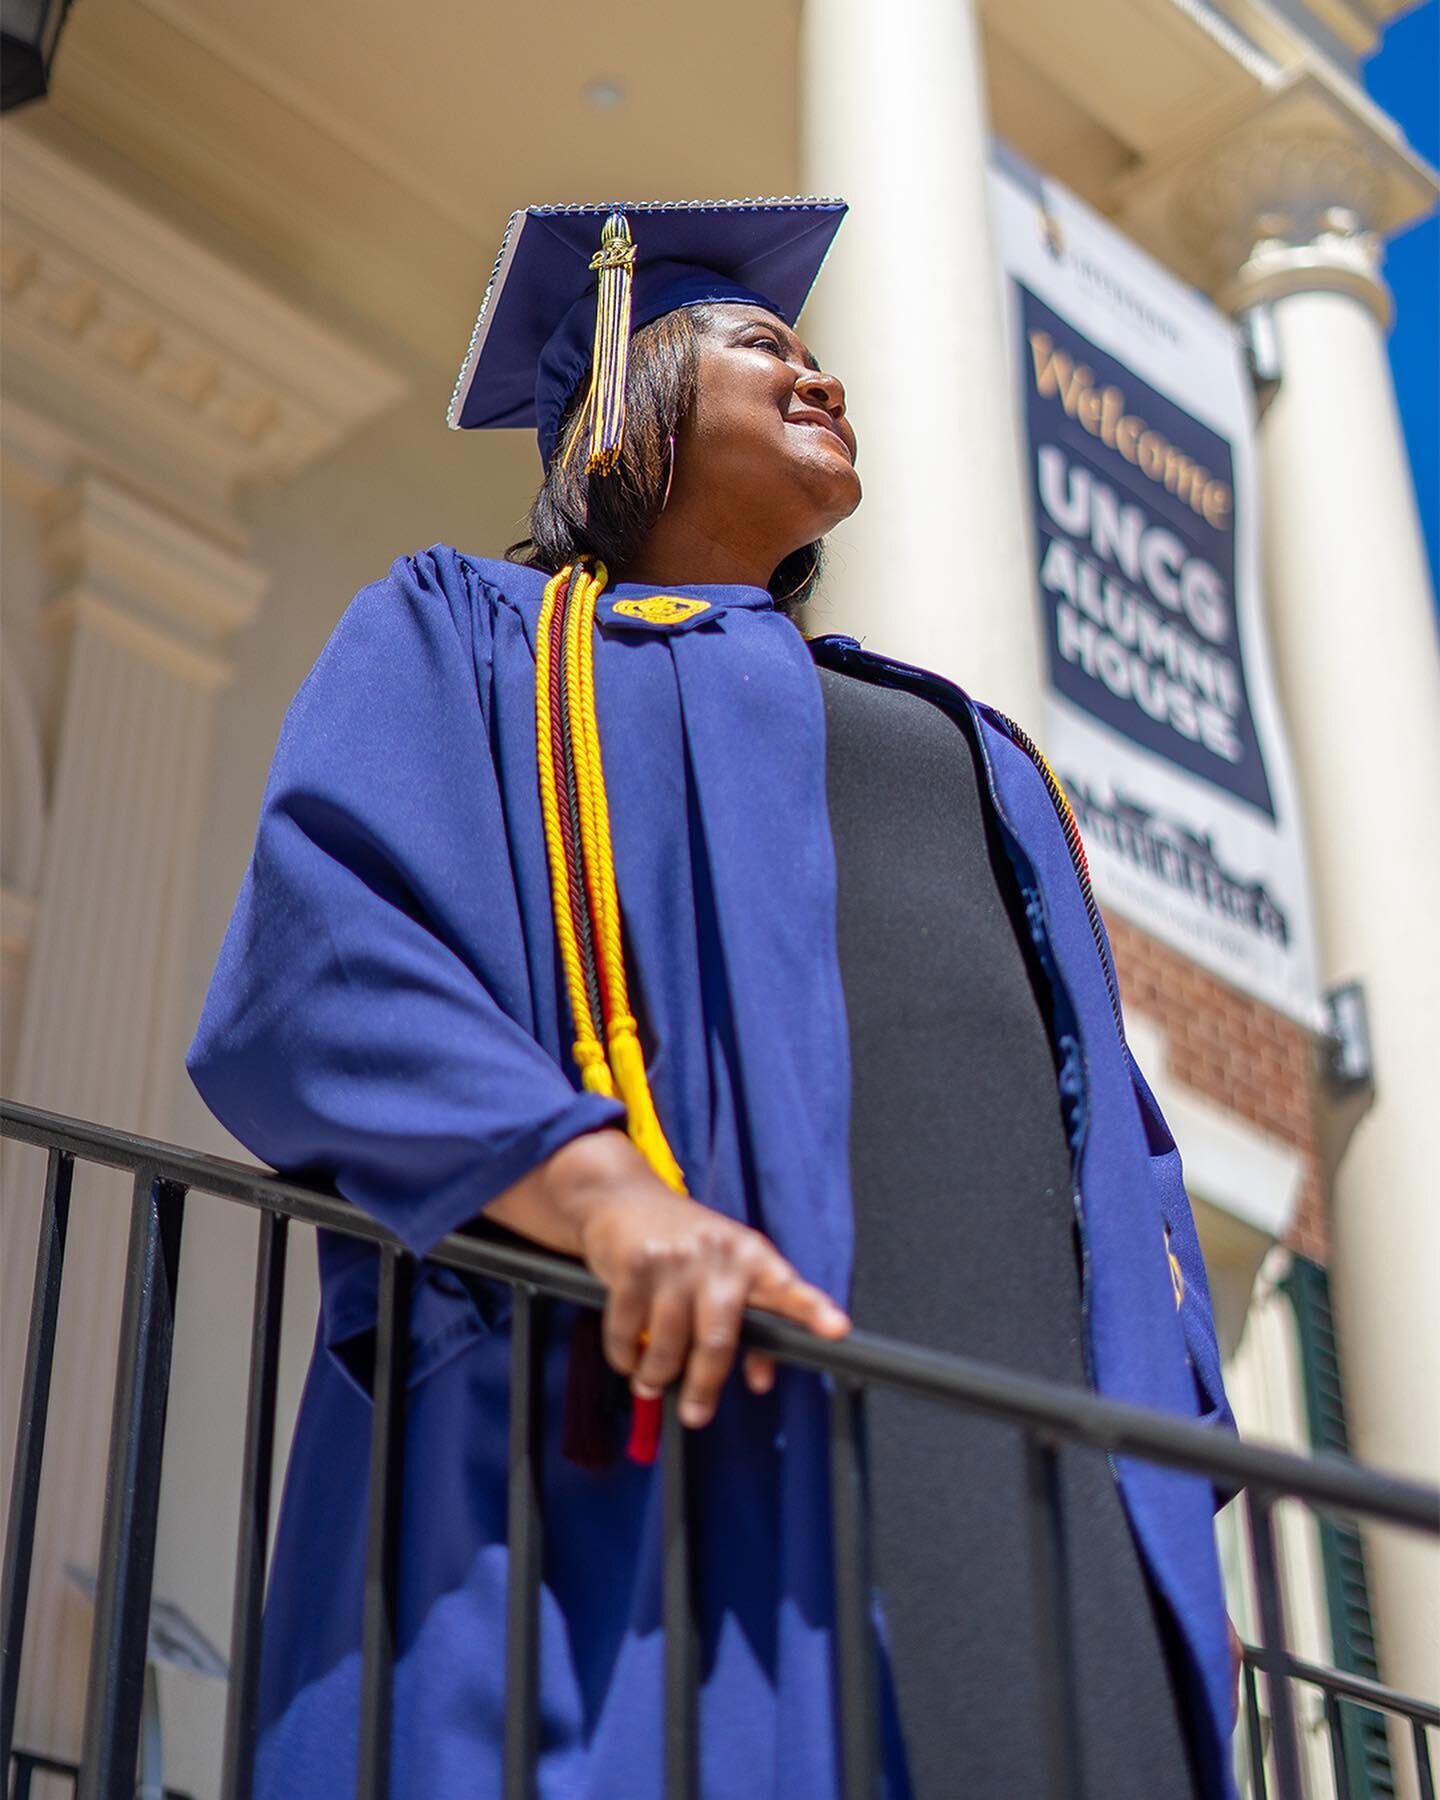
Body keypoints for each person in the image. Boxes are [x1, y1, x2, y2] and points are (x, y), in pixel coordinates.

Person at [188, 198, 1241, 1799]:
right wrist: (600, 1191)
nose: (821, 381)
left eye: (823, 362)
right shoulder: (478, 640)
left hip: (1041, 1465)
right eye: (767, 351)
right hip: (664, 1436)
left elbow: (1120, 1129)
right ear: (628, 395)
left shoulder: (976, 746)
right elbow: (334, 951)